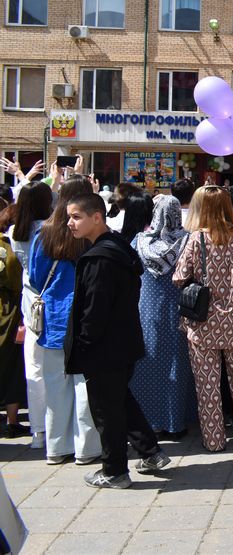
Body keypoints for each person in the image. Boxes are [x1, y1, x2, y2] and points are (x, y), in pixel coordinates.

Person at [64, 193, 169, 488]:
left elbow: (94, 308)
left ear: (96, 217)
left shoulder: (100, 258)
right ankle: (151, 452)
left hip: (104, 348)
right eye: (69, 217)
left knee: (106, 412)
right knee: (120, 399)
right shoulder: (118, 246)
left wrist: (85, 343)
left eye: (76, 217)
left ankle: (114, 471)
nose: (69, 223)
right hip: (124, 342)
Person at [173, 186, 233, 452]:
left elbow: (179, 276)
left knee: (208, 384)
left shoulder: (198, 239)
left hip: (204, 321)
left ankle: (214, 439)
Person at [28, 178, 103, 466]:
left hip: (54, 319)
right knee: (85, 386)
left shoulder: (44, 232)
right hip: (83, 316)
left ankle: (56, 446)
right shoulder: (88, 232)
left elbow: (36, 278)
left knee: (55, 387)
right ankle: (86, 448)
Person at [131, 195, 197, 438]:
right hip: (180, 309)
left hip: (147, 309)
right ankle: (176, 420)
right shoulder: (188, 241)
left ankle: (149, 419)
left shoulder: (139, 241)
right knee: (178, 365)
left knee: (148, 363)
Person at [7, 180, 51, 448]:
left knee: (33, 367)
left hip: (29, 300)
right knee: (56, 368)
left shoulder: (15, 232)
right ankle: (56, 425)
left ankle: (38, 430)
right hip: (52, 298)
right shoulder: (50, 231)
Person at [0, 203, 27, 439]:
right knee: (11, 366)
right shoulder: (6, 248)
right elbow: (14, 280)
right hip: (8, 311)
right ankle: (12, 420)